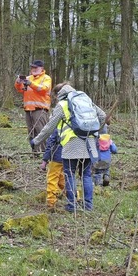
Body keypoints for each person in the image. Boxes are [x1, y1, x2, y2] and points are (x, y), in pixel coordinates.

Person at [31, 83, 106, 212]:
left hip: (72, 143)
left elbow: (49, 127)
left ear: (59, 94)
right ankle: (88, 205)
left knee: (69, 174)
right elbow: (103, 116)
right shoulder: (86, 100)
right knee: (86, 175)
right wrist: (93, 130)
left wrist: (36, 141)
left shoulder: (63, 105)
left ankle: (72, 205)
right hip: (90, 142)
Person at [15, 60, 52, 153]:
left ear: (42, 69)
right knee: (31, 132)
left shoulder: (46, 78)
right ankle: (34, 152)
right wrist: (18, 82)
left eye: (36, 68)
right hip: (28, 109)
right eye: (32, 67)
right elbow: (20, 90)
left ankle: (44, 153)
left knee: (42, 131)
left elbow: (43, 89)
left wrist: (30, 84)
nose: (34, 69)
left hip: (40, 109)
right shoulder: (28, 78)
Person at [41, 129, 65, 209]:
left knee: (52, 179)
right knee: (63, 178)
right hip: (69, 157)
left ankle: (51, 203)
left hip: (56, 158)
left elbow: (50, 143)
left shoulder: (56, 128)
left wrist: (45, 160)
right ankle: (75, 196)